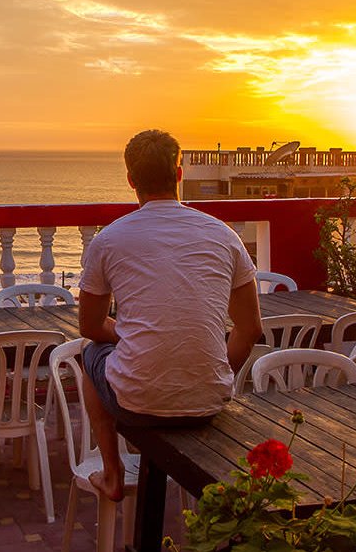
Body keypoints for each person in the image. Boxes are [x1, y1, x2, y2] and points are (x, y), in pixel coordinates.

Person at [77, 129, 263, 501]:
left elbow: (90, 326)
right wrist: (211, 373)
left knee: (88, 357)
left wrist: (128, 334)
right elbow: (250, 327)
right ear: (179, 174)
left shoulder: (109, 239)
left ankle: (112, 474)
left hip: (136, 404)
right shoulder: (223, 235)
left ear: (131, 180)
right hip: (210, 401)